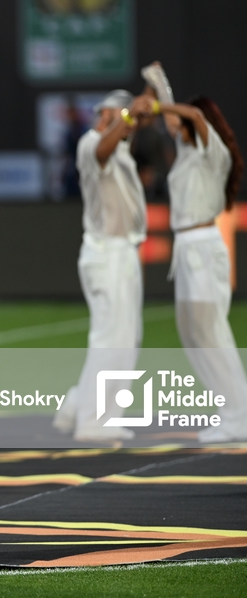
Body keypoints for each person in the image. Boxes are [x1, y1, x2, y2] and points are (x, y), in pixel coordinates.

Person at [134, 63, 247, 442]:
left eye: (176, 121)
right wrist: (159, 87)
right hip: (186, 250)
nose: (173, 126)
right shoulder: (186, 154)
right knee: (190, 331)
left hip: (203, 246)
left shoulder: (211, 153)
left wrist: (158, 104)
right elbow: (176, 120)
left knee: (211, 330)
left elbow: (193, 114)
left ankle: (240, 412)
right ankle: (227, 407)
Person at [53, 89, 146, 441]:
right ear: (108, 115)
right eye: (124, 118)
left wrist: (149, 95)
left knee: (123, 337)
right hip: (108, 252)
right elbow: (102, 149)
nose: (131, 126)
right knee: (113, 339)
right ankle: (95, 420)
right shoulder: (92, 142)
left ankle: (77, 406)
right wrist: (125, 118)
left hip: (119, 252)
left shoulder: (118, 146)